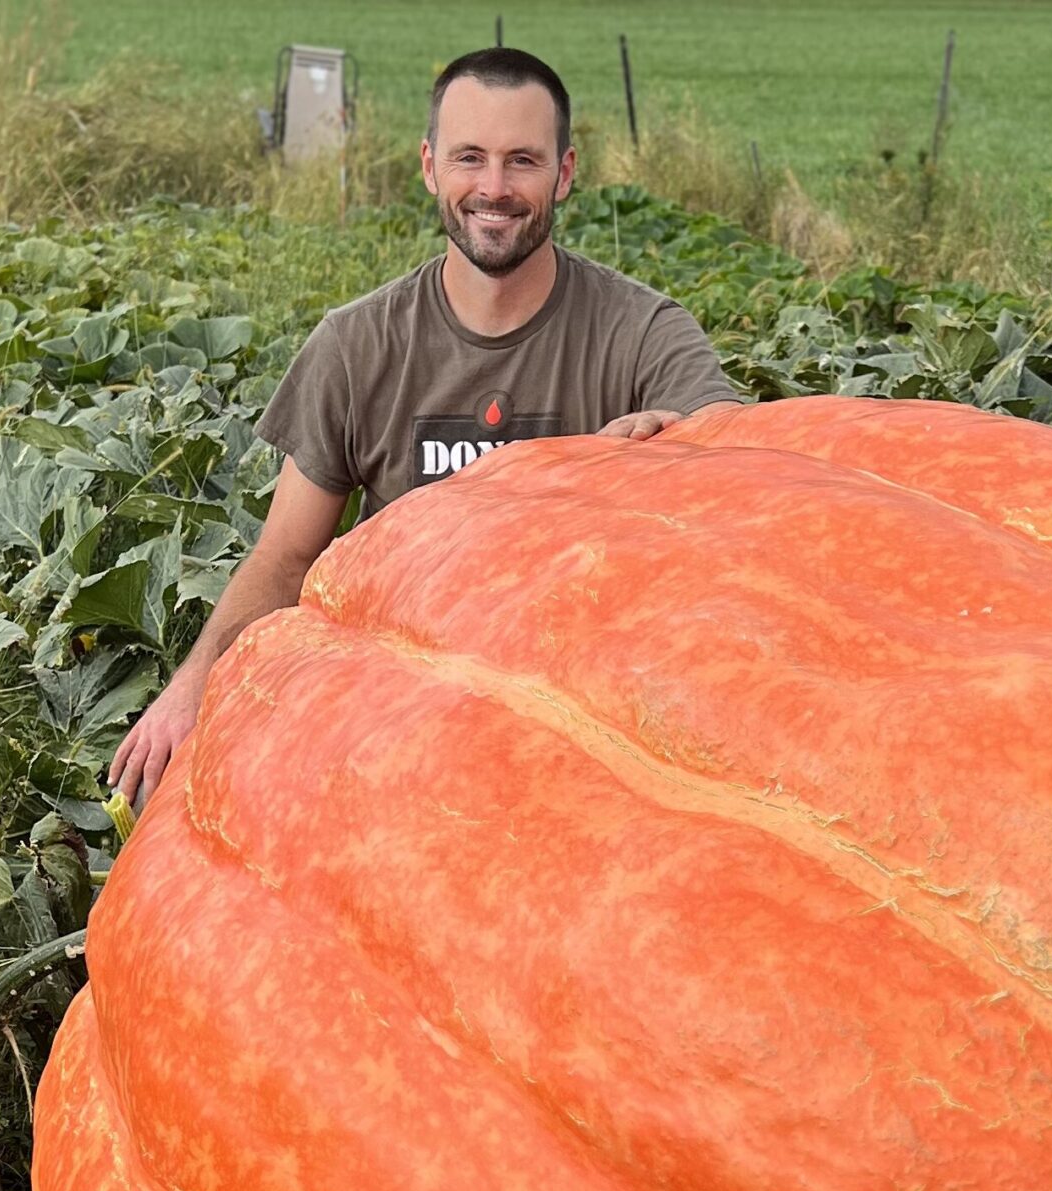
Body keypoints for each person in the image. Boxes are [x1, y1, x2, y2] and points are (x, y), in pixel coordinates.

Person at [109, 46, 742, 805]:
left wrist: (672, 455)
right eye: (470, 157)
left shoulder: (643, 333)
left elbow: (734, 460)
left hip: (591, 718)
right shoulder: (358, 346)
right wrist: (193, 686)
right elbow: (284, 559)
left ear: (565, 173)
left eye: (523, 161)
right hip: (397, 711)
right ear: (430, 166)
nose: (495, 188)